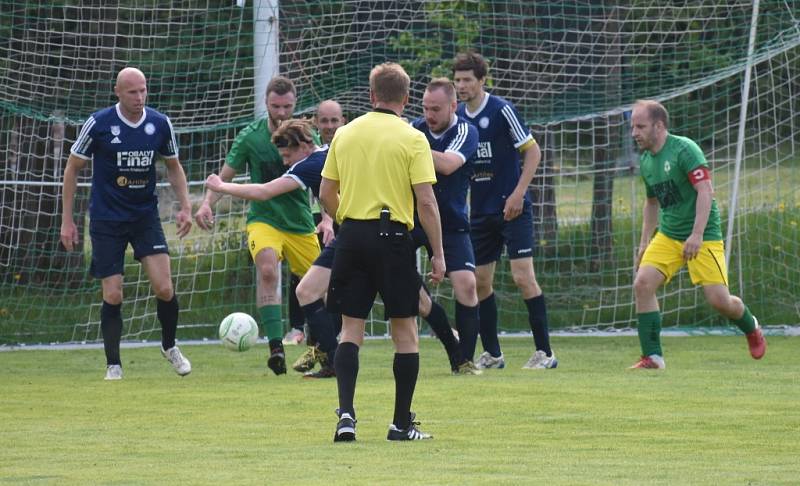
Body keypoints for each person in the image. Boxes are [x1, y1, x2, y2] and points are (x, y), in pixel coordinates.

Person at [320, 62, 445, 442]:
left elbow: (326, 194)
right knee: (405, 332)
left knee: (350, 330)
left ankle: (346, 417)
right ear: (406, 99)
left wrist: (349, 222)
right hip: (393, 240)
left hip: (353, 237)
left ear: (371, 95)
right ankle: (400, 424)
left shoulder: (345, 133)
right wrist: (438, 253)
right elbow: (426, 201)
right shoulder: (412, 137)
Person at [60, 67, 192, 380]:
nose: (140, 97)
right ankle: (114, 365)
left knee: (164, 287)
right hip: (107, 218)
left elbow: (174, 167)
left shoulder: (159, 123)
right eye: (133, 92)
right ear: (118, 92)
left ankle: (169, 346)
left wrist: (186, 206)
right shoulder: (99, 123)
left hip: (144, 216)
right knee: (113, 293)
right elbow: (72, 168)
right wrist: (67, 220)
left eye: (143, 90)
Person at [194, 76, 321, 375]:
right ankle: (276, 347)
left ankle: (320, 345)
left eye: (287, 106)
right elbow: (223, 175)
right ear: (265, 103)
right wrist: (205, 204)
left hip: (300, 223)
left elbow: (324, 183)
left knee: (321, 287)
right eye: (276, 106)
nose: (281, 113)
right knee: (267, 268)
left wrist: (327, 218)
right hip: (264, 218)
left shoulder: (305, 137)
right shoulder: (250, 137)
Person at [629, 100, 767, 369]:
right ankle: (653, 357)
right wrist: (644, 242)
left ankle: (751, 326)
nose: (634, 132)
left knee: (720, 301)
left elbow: (705, 191)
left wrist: (697, 234)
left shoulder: (685, 150)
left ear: (659, 126)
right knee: (642, 284)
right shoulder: (645, 160)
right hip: (669, 234)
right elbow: (652, 203)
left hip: (703, 233)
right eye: (632, 126)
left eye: (640, 126)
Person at [205, 119, 339, 379]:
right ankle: (323, 355)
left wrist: (222, 187)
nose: (286, 162)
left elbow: (265, 191)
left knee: (332, 293)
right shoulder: (328, 153)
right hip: (361, 224)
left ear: (302, 145)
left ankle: (331, 357)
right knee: (321, 291)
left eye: (287, 155)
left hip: (356, 228)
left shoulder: (310, 164)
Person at [453, 51, 557, 370]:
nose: (461, 86)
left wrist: (518, 193)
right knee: (480, 282)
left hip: (513, 208)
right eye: (457, 80)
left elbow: (533, 150)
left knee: (523, 277)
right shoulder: (457, 116)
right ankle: (494, 354)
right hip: (481, 212)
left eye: (467, 80)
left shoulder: (502, 110)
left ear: (482, 80)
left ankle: (545, 353)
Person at [410, 78, 481, 376]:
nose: (429, 115)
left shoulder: (466, 130)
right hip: (412, 219)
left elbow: (448, 164)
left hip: (450, 222)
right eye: (425, 108)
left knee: (467, 285)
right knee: (412, 295)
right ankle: (453, 347)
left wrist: (410, 146)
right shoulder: (413, 129)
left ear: (454, 106)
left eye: (436, 109)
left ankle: (464, 360)